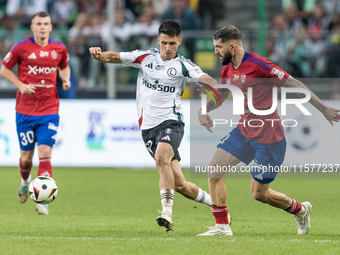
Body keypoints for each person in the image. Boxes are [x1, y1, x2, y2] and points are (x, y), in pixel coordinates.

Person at [196, 25, 340, 236]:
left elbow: (294, 83)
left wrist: (323, 109)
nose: (215, 51)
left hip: (269, 137)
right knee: (214, 169)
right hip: (244, 130)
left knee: (259, 194)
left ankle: (300, 209)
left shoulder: (258, 65)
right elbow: (224, 94)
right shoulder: (228, 69)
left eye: (218, 47)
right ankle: (222, 227)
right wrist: (204, 108)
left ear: (232, 46)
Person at [89, 20, 213, 232]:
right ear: (158, 40)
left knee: (160, 158)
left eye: (172, 44)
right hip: (148, 128)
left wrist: (207, 91)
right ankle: (218, 205)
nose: (167, 48)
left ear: (179, 42)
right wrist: (98, 55)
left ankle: (166, 213)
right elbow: (114, 57)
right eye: (164, 43)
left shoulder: (184, 65)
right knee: (180, 185)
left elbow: (206, 78)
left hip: (172, 122)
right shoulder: (145, 58)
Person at [0, 12, 71, 215]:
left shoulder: (59, 48)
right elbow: (4, 69)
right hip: (25, 111)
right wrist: (20, 85)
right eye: (38, 24)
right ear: (32, 27)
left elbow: (64, 68)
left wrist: (65, 80)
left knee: (45, 152)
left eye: (46, 24)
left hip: (49, 109)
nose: (42, 27)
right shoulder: (21, 48)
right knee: (26, 157)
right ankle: (25, 182)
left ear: (50, 27)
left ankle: (43, 199)